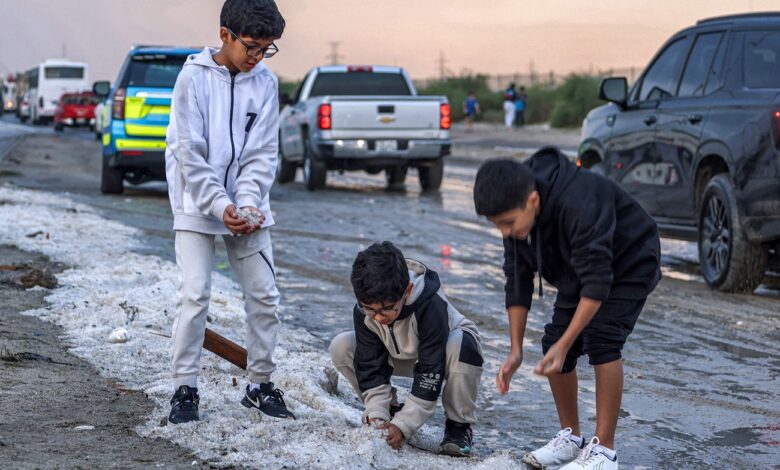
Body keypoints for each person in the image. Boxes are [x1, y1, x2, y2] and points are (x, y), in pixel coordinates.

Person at [472, 148, 661, 470]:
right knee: (554, 344)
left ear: (532, 201)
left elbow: (598, 282)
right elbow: (517, 280)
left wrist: (566, 343)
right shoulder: (514, 208)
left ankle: (604, 452)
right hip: (580, 266)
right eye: (497, 225)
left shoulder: (579, 200)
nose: (505, 232)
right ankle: (571, 439)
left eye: (507, 223)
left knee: (602, 340)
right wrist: (515, 351)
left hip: (631, 260)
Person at [165, 0, 295, 424]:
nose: (257, 57)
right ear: (225, 35)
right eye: (252, 47)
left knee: (264, 295)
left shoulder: (266, 84)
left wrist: (248, 204)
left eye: (267, 49)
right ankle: (185, 387)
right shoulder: (192, 79)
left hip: (247, 208)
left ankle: (259, 385)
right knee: (195, 293)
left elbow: (261, 154)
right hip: (197, 205)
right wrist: (220, 206)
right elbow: (191, 155)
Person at [329, 242, 484, 457]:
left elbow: (430, 373)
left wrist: (404, 426)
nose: (379, 317)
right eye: (370, 310)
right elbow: (369, 365)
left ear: (407, 291)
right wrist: (377, 414)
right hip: (398, 354)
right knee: (342, 345)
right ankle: (389, 410)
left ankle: (458, 428)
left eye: (387, 309)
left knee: (460, 344)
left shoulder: (430, 304)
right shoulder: (366, 311)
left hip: (444, 355)